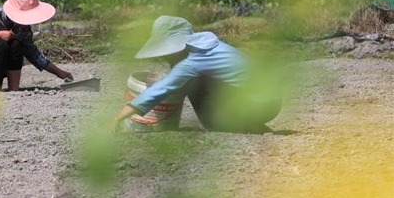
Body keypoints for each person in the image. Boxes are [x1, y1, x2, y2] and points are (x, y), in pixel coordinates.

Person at [111, 16, 281, 134]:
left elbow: (158, 91)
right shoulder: (206, 46)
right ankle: (250, 124)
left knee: (191, 84)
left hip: (261, 105)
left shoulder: (190, 63)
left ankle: (231, 125)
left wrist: (117, 118)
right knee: (194, 81)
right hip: (272, 100)